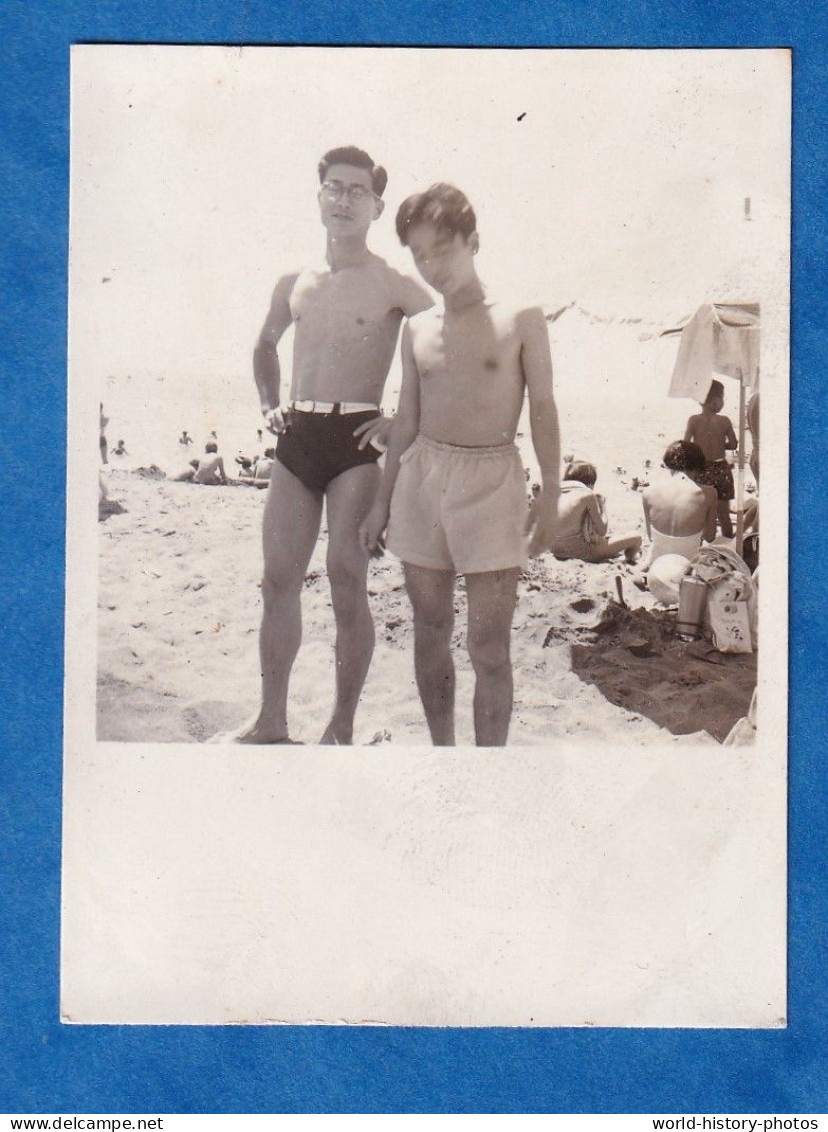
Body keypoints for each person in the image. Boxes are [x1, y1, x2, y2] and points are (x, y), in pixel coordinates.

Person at [225, 145, 432, 746]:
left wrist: (400, 418)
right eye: (334, 188)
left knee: (346, 579)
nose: (344, 200)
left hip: (357, 440)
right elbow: (265, 346)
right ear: (319, 197)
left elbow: (449, 344)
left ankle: (340, 724)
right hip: (297, 439)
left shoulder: (395, 283)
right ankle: (271, 720)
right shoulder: (295, 281)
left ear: (377, 206)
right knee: (278, 581)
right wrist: (269, 404)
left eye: (357, 191)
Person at [360, 183, 561, 747]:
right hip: (422, 484)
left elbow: (543, 407)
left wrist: (550, 495)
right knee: (430, 632)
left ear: (474, 242)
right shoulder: (416, 328)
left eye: (442, 250)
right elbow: (406, 421)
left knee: (489, 648)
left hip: (494, 483)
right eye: (419, 254)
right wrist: (381, 503)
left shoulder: (522, 317)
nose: (430, 265)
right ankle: (444, 756)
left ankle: (489, 770)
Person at [641, 440, 718, 567]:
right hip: (687, 567)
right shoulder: (709, 493)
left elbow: (650, 537)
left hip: (657, 566)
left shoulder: (648, 492)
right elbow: (710, 537)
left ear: (668, 464)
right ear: (698, 466)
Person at [551, 460, 641, 564]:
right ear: (589, 484)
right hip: (582, 552)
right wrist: (602, 505)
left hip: (554, 549)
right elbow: (602, 531)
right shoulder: (586, 495)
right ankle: (628, 558)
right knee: (636, 537)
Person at [684, 379, 738, 537]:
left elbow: (686, 445)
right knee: (724, 514)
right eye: (722, 398)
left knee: (704, 514)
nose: (723, 402)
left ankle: (703, 546)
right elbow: (734, 444)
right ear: (715, 401)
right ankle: (729, 545)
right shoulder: (724, 421)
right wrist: (721, 445)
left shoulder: (693, 420)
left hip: (701, 470)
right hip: (721, 470)